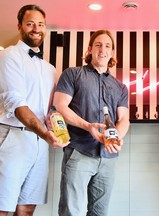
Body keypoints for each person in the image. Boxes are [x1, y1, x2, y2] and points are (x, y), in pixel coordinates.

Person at [53, 29, 130, 216]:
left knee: (99, 213)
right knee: (71, 211)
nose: (102, 49)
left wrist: (116, 138)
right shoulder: (72, 74)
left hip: (107, 158)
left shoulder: (120, 87)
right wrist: (88, 126)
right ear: (89, 49)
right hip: (79, 151)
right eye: (98, 44)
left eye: (107, 46)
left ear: (112, 52)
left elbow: (124, 119)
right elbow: (60, 106)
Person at [0, 4, 67, 216]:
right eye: (30, 24)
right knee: (3, 205)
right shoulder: (9, 56)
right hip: (13, 137)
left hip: (40, 143)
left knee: (27, 208)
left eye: (40, 24)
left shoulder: (50, 69)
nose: (36, 29)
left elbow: (52, 110)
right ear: (20, 26)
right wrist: (45, 133)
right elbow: (16, 103)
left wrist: (57, 128)